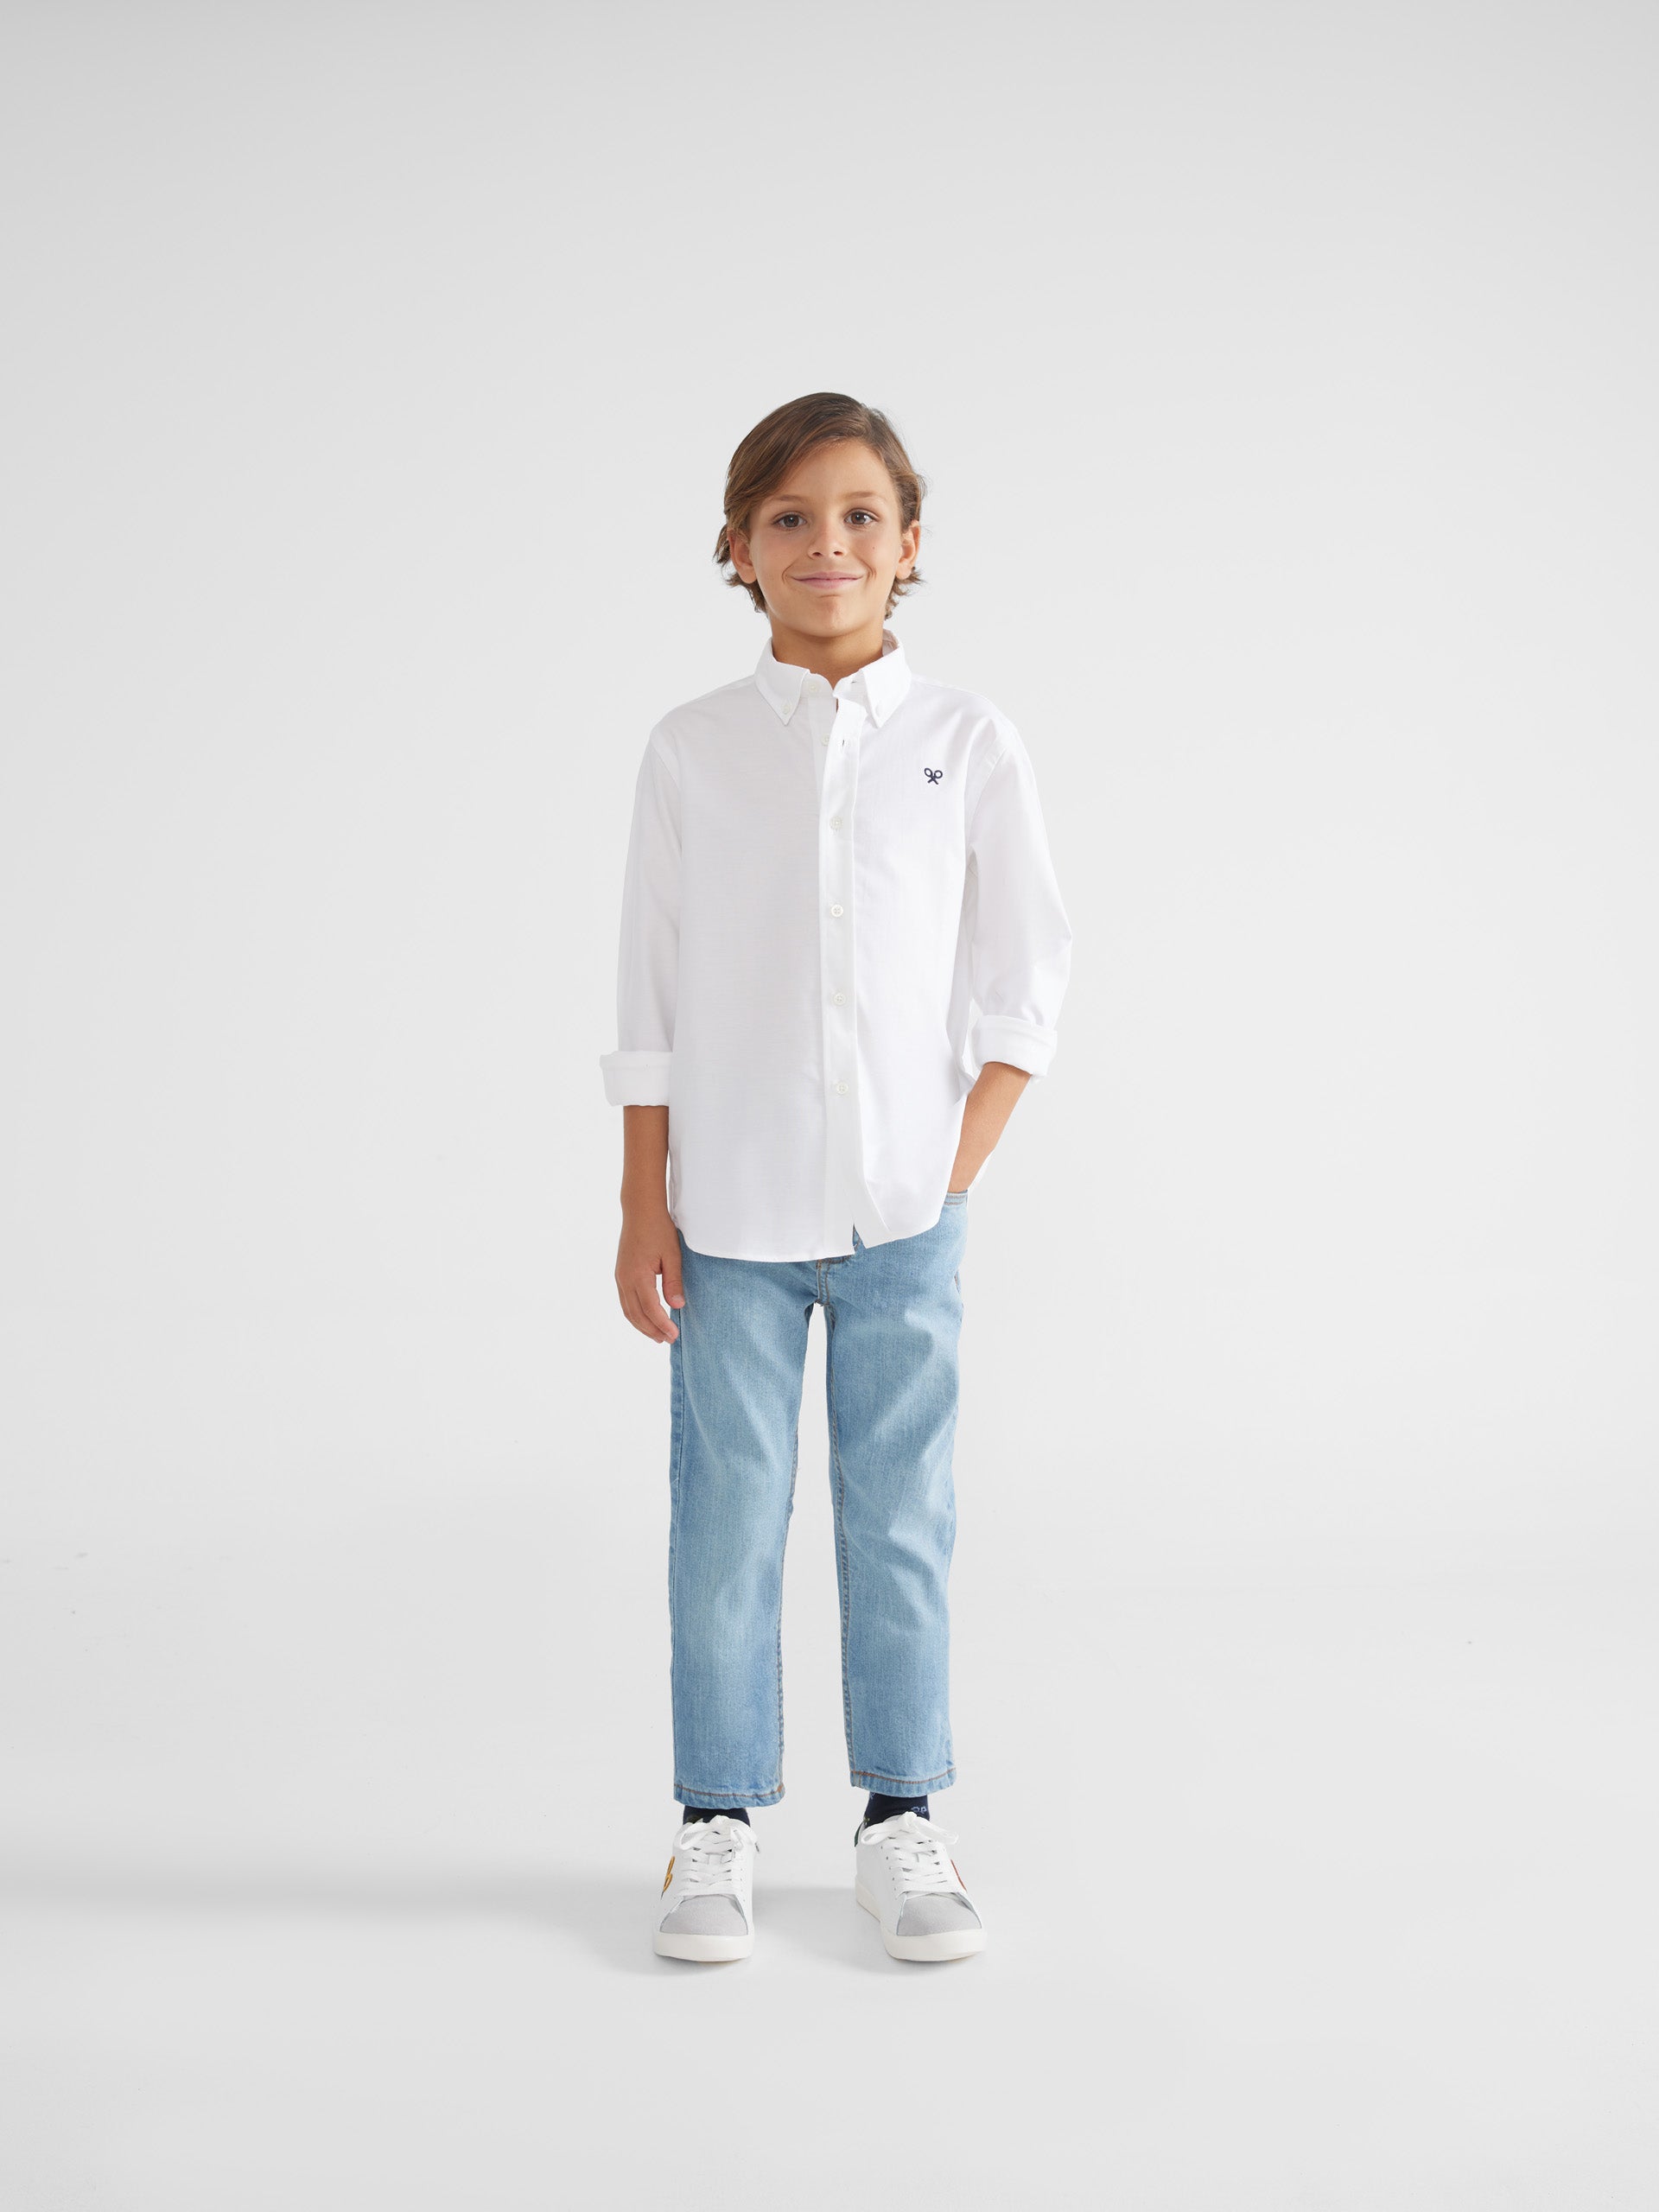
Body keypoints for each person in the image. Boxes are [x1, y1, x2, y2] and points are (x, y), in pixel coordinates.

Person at [599, 391, 1072, 1965]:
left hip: (903, 1219)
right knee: (726, 1522)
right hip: (728, 1215)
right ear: (739, 547)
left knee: (902, 1520)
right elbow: (650, 994)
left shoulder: (965, 742)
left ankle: (900, 1822)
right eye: (791, 518)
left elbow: (1028, 977)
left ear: (909, 541)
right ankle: (716, 1823)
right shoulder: (693, 750)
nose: (829, 544)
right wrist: (641, 1201)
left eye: (862, 515)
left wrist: (955, 1162)